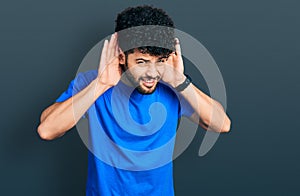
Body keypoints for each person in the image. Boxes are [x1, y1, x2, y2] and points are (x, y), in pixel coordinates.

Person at [37, 5, 231, 196]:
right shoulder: (92, 83)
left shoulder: (174, 86)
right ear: (122, 56)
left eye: (160, 61)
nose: (152, 73)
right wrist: (101, 84)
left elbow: (221, 124)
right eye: (142, 62)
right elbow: (47, 130)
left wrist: (180, 81)